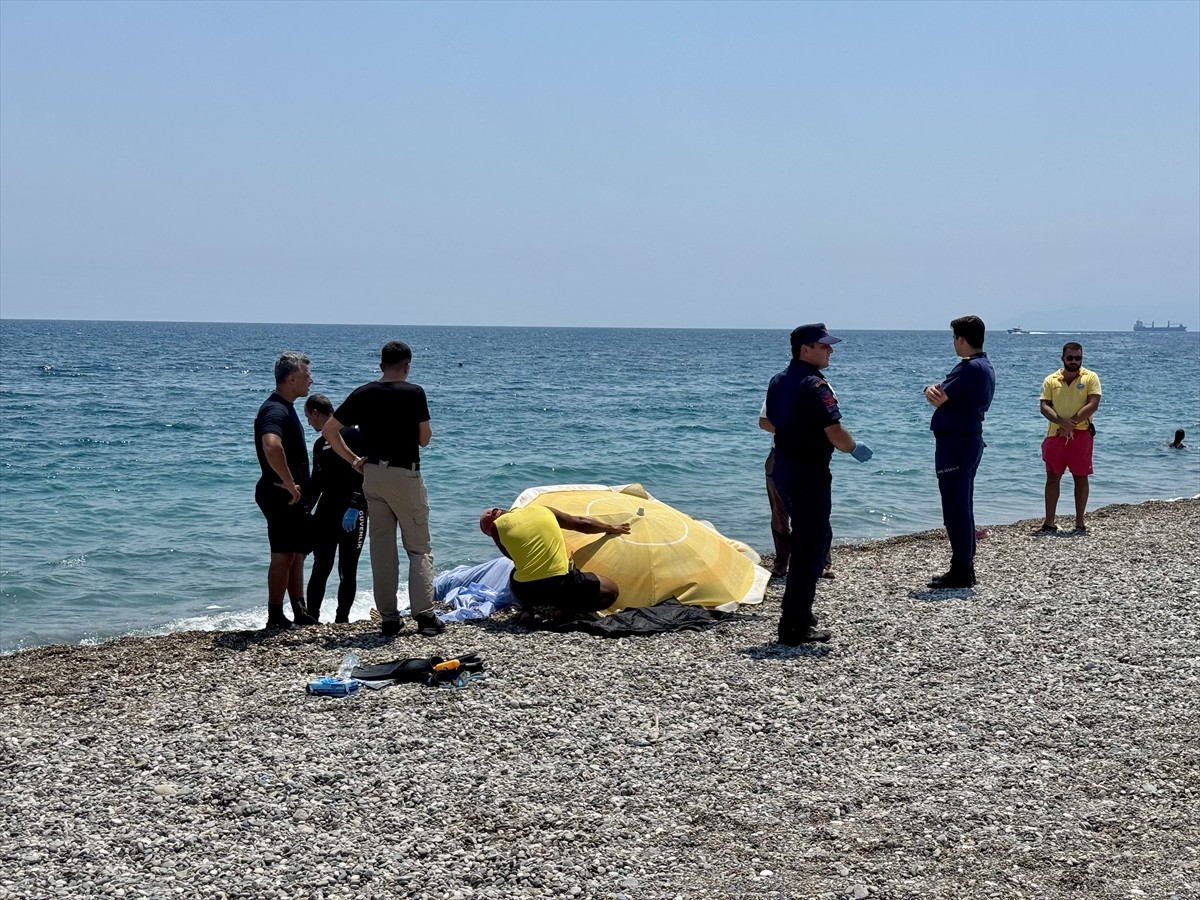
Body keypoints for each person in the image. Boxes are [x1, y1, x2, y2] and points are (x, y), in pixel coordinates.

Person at [320, 341, 442, 637]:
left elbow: (329, 431)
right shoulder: (414, 392)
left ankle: (389, 618)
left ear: (381, 365)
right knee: (418, 548)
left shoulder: (362, 393)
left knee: (382, 549)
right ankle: (424, 616)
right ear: (407, 366)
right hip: (404, 473)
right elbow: (424, 439)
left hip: (372, 474)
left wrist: (353, 460)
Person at [765, 324, 872, 645]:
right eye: (824, 346)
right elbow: (835, 431)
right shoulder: (815, 385)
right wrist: (853, 448)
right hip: (808, 474)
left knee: (807, 539)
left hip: (782, 469)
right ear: (805, 348)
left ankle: (800, 611)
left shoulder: (778, 380)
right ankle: (794, 625)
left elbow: (770, 422)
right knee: (809, 549)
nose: (830, 350)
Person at [923, 316, 996, 589]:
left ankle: (961, 569)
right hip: (966, 441)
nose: (953, 343)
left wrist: (929, 389)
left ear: (961, 339)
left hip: (957, 443)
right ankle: (964, 566)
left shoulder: (970, 367)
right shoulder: (984, 366)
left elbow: (937, 396)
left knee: (955, 508)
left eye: (954, 338)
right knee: (962, 505)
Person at [253, 351, 319, 629]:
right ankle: (275, 615)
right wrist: (289, 483)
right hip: (280, 494)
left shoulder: (286, 407)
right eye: (306, 375)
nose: (311, 380)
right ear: (291, 378)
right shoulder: (275, 409)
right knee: (283, 554)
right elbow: (271, 445)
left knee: (296, 553)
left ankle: (299, 610)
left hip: (293, 496)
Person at [479, 505, 630, 625]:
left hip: (526, 590)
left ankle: (527, 611)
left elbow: (513, 557)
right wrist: (611, 528)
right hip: (561, 585)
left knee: (515, 572)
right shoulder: (542, 509)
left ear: (490, 528)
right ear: (502, 510)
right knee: (611, 590)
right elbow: (582, 523)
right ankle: (565, 608)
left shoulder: (496, 528)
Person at [303, 394, 367, 624]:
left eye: (308, 417)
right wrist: (306, 511)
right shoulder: (320, 444)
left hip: (354, 511)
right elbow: (316, 483)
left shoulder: (354, 434)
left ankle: (342, 620)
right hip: (327, 512)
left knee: (347, 569)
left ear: (315, 413)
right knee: (321, 565)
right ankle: (311, 617)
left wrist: (356, 505)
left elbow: (366, 473)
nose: (308, 422)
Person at [759, 399, 835, 580]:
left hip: (811, 457)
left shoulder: (824, 390)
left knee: (817, 513)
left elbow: (832, 426)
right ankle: (781, 563)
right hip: (780, 456)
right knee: (779, 514)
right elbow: (764, 422)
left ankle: (822, 563)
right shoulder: (780, 388)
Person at [1035, 342, 1102, 534]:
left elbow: (1093, 404)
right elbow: (1044, 406)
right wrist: (1061, 423)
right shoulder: (1051, 380)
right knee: (1052, 477)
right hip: (1055, 435)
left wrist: (1070, 424)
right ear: (1063, 358)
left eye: (1078, 358)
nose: (1074, 361)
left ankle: (1080, 522)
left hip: (1081, 435)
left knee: (1081, 477)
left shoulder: (1091, 377)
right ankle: (1049, 522)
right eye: (1070, 357)